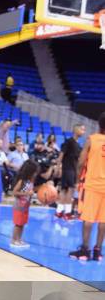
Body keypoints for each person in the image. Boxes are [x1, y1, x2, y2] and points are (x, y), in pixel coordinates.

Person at [69, 112, 105, 261]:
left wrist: (78, 179)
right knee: (103, 220)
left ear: (99, 124)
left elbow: (81, 162)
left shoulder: (92, 139)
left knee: (88, 218)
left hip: (92, 184)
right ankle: (98, 252)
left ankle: (84, 251)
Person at [55, 124, 85, 219]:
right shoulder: (69, 142)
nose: (83, 131)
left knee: (64, 189)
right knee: (70, 190)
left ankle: (59, 211)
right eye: (82, 129)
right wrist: (58, 167)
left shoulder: (78, 145)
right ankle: (67, 213)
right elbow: (61, 155)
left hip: (72, 170)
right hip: (68, 169)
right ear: (76, 130)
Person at [11, 159, 39, 248]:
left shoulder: (31, 182)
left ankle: (19, 239)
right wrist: (26, 194)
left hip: (25, 207)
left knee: (22, 224)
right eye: (34, 173)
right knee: (18, 224)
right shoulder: (22, 181)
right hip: (19, 206)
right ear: (29, 172)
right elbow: (14, 192)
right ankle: (13, 240)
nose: (35, 174)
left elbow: (30, 194)